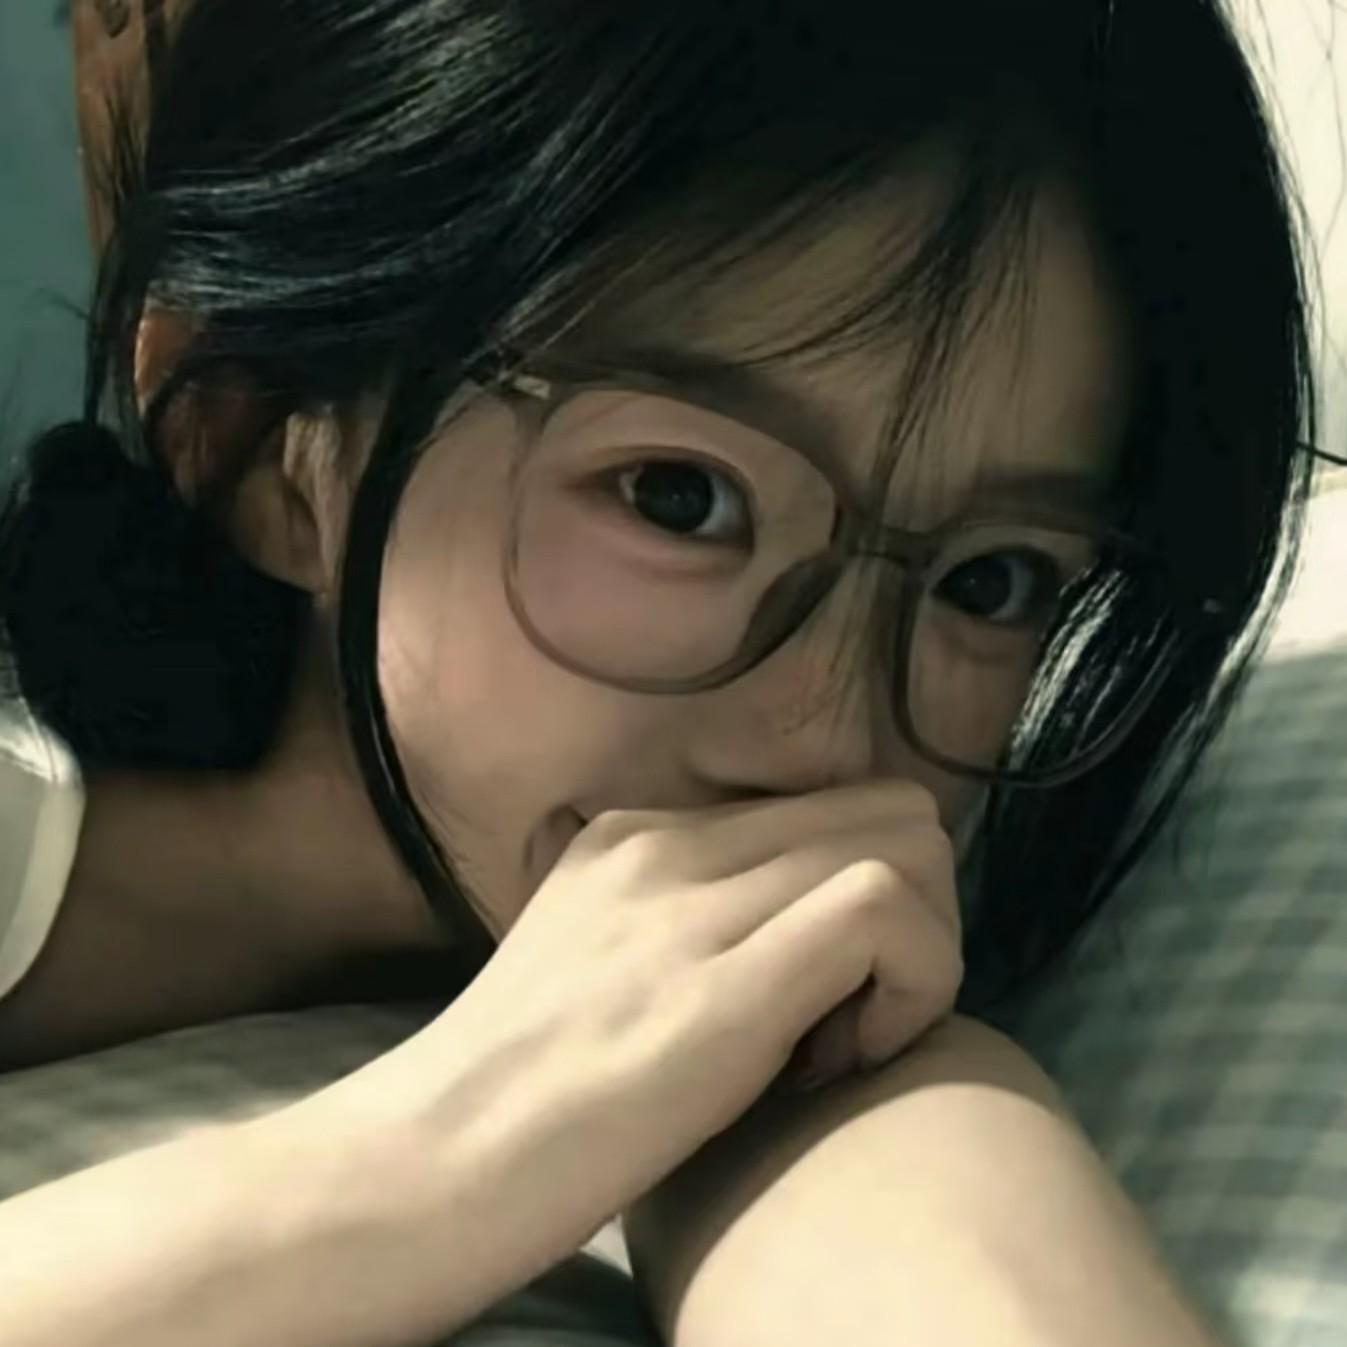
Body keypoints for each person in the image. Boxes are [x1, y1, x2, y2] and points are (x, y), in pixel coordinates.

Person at [0, 1, 1323, 1344]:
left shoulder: (796, 967)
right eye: (679, 497)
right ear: (252, 433)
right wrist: (451, 1144)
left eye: (994, 581)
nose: (825, 741)